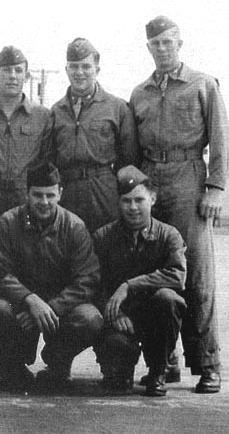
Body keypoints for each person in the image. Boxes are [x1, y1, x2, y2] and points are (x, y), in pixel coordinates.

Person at [129, 16, 229, 394]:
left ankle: (207, 364)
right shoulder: (139, 93)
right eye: (155, 43)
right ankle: (163, 360)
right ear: (148, 48)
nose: (162, 49)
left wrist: (215, 187)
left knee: (196, 274)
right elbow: (133, 149)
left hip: (189, 178)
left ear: (180, 43)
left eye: (168, 42)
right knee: (157, 268)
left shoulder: (202, 85)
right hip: (151, 180)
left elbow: (221, 139)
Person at [0, 161, 103, 392]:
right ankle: (14, 363)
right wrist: (29, 300)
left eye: (50, 195)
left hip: (59, 307)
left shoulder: (75, 227)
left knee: (90, 318)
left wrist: (50, 306)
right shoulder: (8, 223)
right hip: (21, 303)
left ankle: (57, 361)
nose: (44, 202)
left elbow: (87, 279)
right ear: (27, 194)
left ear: (60, 193)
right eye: (37, 195)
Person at [93, 165, 186, 396]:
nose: (133, 207)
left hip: (154, 317)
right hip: (120, 319)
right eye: (126, 201)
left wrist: (129, 285)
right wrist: (114, 315)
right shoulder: (104, 237)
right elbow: (94, 284)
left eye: (139, 200)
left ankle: (158, 371)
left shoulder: (169, 235)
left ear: (152, 199)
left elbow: (177, 274)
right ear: (118, 202)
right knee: (118, 384)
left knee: (168, 298)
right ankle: (119, 370)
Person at [49, 37, 138, 232]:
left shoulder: (117, 108)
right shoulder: (56, 111)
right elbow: (51, 159)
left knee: (106, 247)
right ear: (66, 70)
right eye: (74, 67)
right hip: (68, 192)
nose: (79, 72)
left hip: (103, 191)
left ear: (97, 70)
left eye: (86, 67)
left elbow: (130, 159)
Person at [0, 46, 52, 244]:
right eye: (6, 70)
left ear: (26, 76)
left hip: (26, 202)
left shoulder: (42, 116)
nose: (12, 76)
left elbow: (47, 162)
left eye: (18, 71)